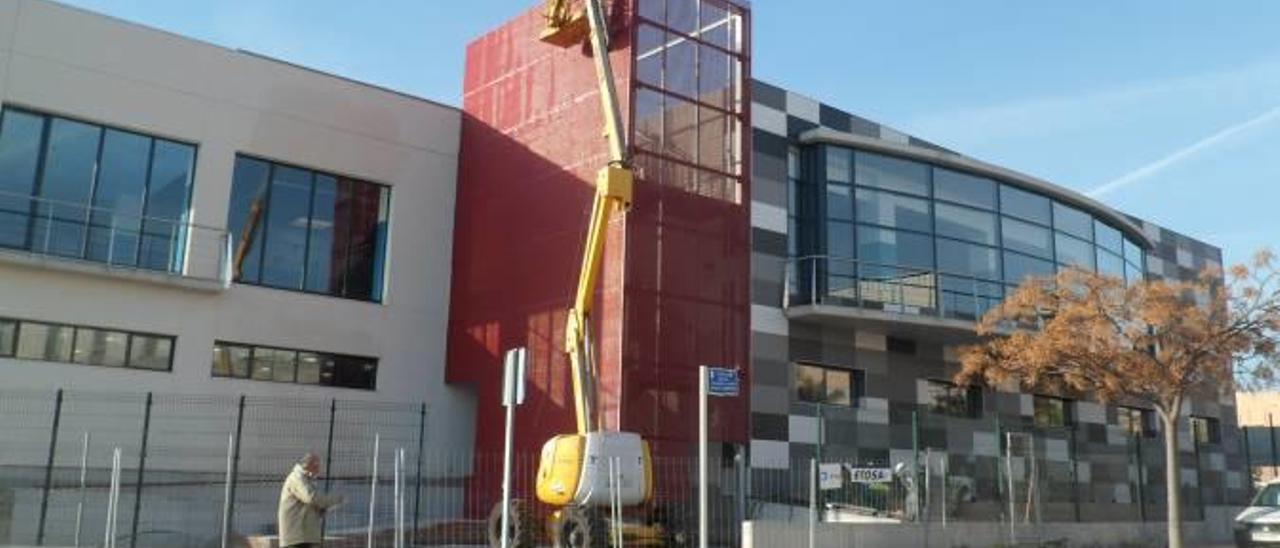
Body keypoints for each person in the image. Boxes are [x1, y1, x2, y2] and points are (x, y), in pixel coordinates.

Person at [278, 453, 343, 548]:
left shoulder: (307, 480)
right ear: (307, 465)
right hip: (296, 537)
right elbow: (311, 498)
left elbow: (310, 505)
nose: (319, 469)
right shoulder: (297, 478)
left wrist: (322, 508)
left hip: (305, 535)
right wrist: (335, 500)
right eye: (316, 465)